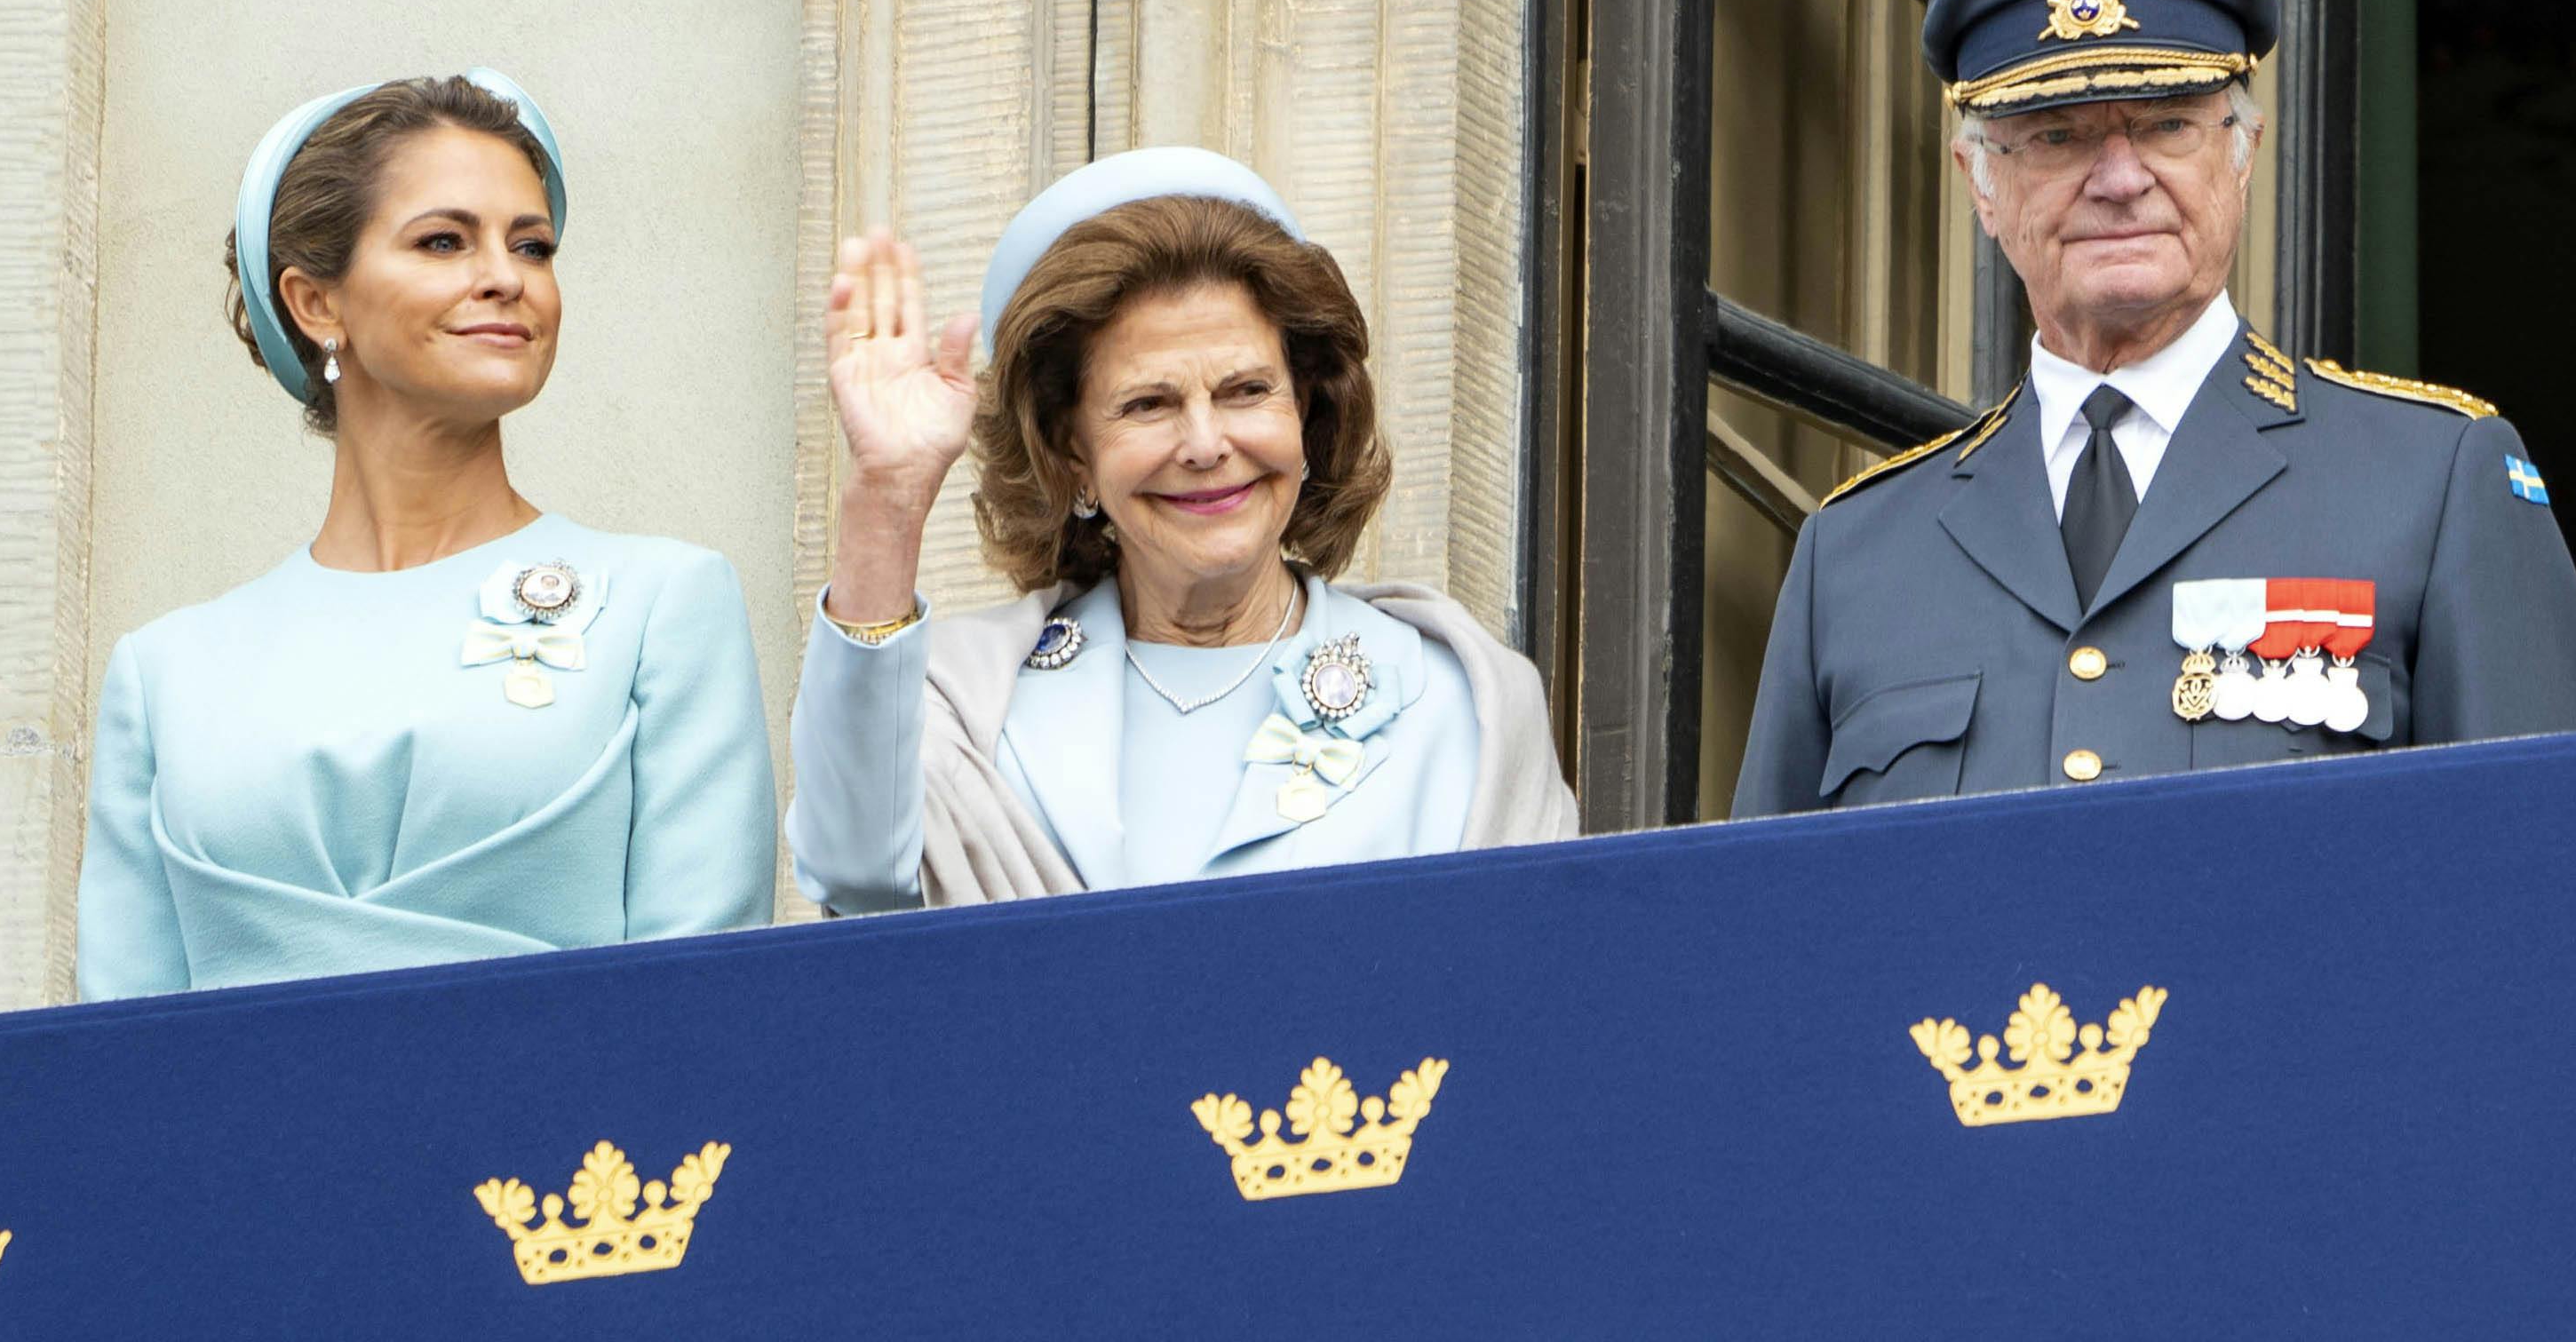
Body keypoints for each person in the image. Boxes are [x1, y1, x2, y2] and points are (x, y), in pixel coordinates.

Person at [1734, 0, 2576, 812]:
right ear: (1979, 185)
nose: (2118, 179)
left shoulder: (2432, 480)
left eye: (2167, 126)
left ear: (2243, 153)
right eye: (2058, 136)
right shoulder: (1856, 551)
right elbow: (1767, 927)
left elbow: (2543, 874)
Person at [80, 75, 773, 996]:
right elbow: (121, 1061)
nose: (506, 276)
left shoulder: (662, 603)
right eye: (444, 240)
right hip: (238, 1139)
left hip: (569, 1138)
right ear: (316, 303)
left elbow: (703, 1000)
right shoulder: (164, 672)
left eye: (532, 245)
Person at [789, 150, 1572, 908]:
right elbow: (854, 871)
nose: (1205, 444)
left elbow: (1526, 1000)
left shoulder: (1458, 702)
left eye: (1246, 390)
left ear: (1305, 412)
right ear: (1073, 456)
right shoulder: (970, 703)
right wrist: (888, 498)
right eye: (1148, 405)